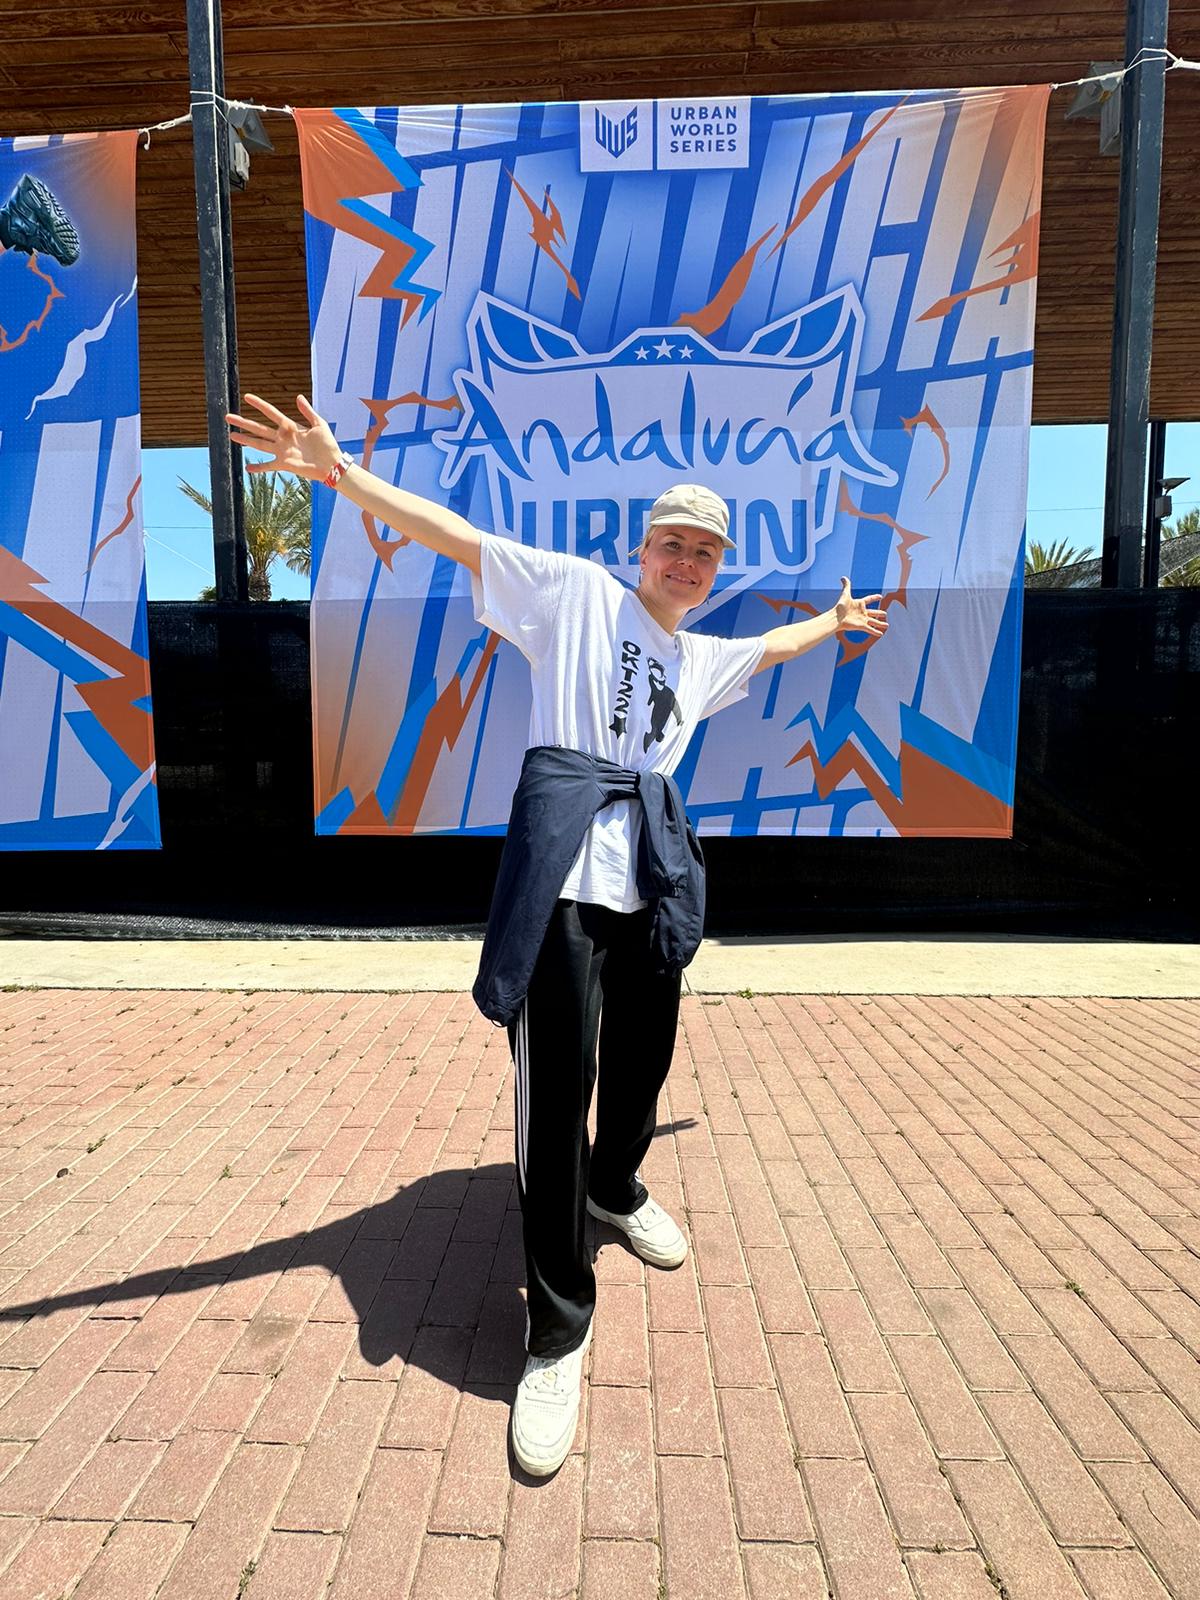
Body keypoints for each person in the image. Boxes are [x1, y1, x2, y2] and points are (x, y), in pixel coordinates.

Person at [227, 394, 887, 1477]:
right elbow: (455, 535)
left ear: (715, 568)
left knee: (643, 1065)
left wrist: (834, 622)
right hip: (567, 884)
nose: (686, 561)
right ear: (643, 548)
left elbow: (770, 647)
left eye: (705, 552)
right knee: (554, 1093)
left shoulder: (695, 658)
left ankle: (613, 1186)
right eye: (673, 543)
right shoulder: (574, 594)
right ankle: (557, 1327)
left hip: (652, 883)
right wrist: (340, 477)